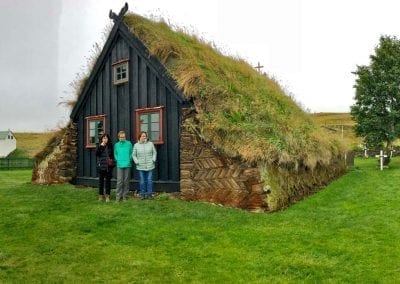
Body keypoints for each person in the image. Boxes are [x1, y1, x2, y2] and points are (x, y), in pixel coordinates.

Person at [132, 131, 157, 199]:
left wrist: (153, 160)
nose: (144, 137)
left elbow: (154, 153)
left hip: (150, 165)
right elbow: (133, 155)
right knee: (142, 180)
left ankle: (149, 194)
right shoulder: (136, 145)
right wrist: (137, 161)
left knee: (149, 180)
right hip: (140, 166)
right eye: (143, 136)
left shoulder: (150, 144)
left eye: (145, 136)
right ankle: (142, 194)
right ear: (139, 137)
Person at [114, 130, 133, 202]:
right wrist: (117, 159)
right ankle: (118, 197)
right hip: (119, 165)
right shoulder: (116, 145)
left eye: (124, 137)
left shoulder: (129, 143)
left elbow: (131, 152)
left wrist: (129, 159)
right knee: (119, 181)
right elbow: (115, 154)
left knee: (126, 181)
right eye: (121, 137)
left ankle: (125, 196)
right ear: (118, 137)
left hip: (127, 164)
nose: (122, 138)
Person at [95, 133, 114, 202]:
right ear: (101, 139)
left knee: (108, 182)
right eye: (103, 138)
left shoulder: (110, 146)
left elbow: (112, 156)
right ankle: (100, 195)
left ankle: (107, 196)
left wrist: (112, 164)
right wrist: (101, 147)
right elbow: (97, 154)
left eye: (106, 138)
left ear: (108, 139)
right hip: (101, 167)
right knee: (101, 182)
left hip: (108, 167)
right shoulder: (99, 145)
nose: (105, 139)